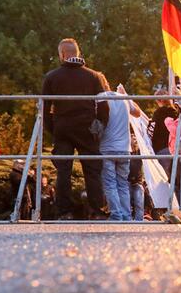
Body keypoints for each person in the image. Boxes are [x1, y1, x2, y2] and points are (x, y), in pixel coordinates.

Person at [42, 38, 110, 220]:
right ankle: (98, 211)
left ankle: (65, 212)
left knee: (63, 171)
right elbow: (104, 105)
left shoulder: (52, 77)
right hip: (86, 128)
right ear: (78, 53)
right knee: (92, 170)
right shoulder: (93, 76)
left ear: (62, 54)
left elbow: (44, 107)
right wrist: (100, 124)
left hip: (62, 127)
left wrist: (52, 128)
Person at [97, 84, 142, 221]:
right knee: (123, 183)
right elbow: (138, 113)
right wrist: (126, 94)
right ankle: (126, 215)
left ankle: (116, 215)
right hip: (124, 149)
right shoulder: (123, 98)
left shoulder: (99, 98)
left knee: (110, 183)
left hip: (107, 148)